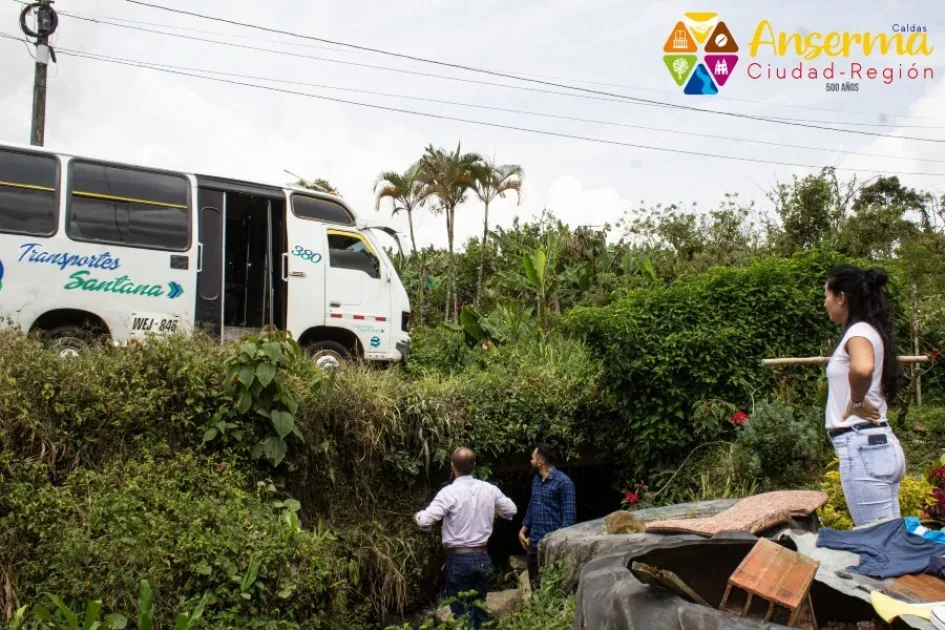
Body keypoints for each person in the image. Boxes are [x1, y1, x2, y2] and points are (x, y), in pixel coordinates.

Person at [823, 264, 907, 527]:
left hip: (863, 448)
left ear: (841, 298)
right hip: (876, 446)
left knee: (877, 543)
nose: (825, 303)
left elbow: (863, 368)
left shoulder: (858, 332)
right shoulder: (869, 330)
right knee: (890, 543)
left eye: (826, 295)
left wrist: (856, 402)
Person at [415, 447, 517, 629]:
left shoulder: (448, 493)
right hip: (482, 556)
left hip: (458, 559)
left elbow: (426, 520)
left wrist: (417, 516)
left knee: (462, 612)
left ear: (453, 467)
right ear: (474, 465)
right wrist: (494, 511)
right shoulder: (489, 489)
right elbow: (511, 509)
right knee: (480, 608)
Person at [518, 443, 576, 589]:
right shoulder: (536, 481)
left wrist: (559, 544)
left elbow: (568, 520)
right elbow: (533, 505)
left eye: (532, 458)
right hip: (535, 542)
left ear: (540, 462)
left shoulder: (564, 482)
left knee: (554, 588)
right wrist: (523, 529)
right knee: (535, 586)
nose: (530, 461)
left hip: (553, 546)